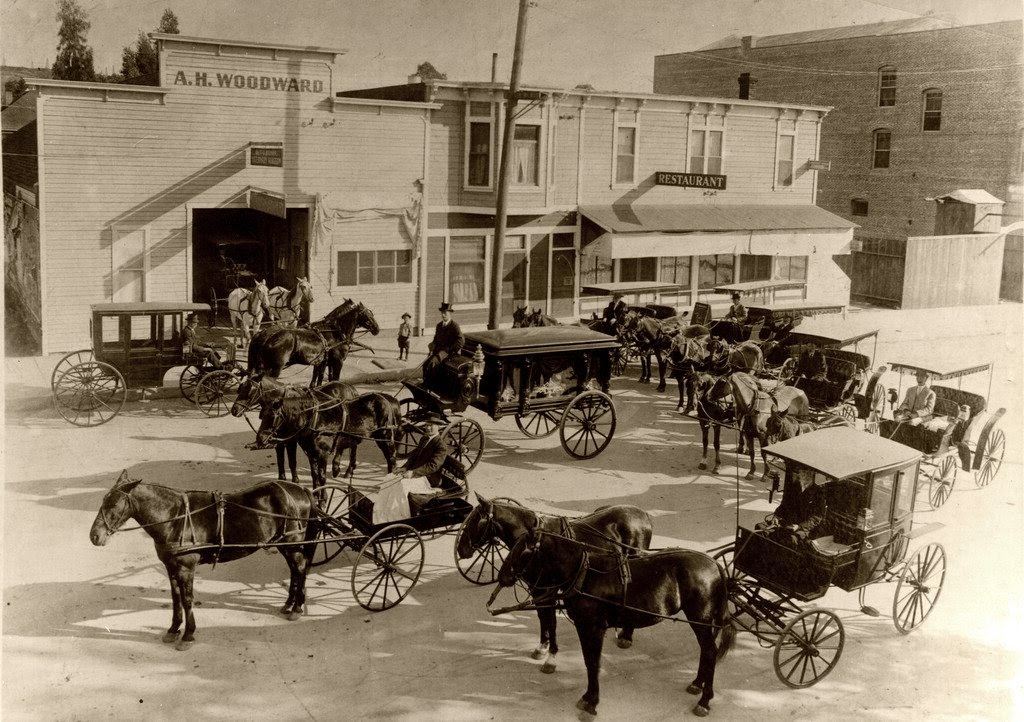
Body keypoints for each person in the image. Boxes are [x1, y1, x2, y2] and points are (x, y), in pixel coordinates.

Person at [372, 422, 467, 523]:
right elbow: (414, 457)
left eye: (431, 425)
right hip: (417, 474)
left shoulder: (441, 445)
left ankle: (401, 517)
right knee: (390, 478)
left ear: (438, 427)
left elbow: (433, 466)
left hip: (429, 479)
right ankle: (382, 512)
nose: (428, 428)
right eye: (427, 425)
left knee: (402, 484)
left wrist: (413, 473)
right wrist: (404, 468)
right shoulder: (424, 439)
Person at [423, 302, 463, 380]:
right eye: (442, 313)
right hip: (438, 351)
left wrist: (449, 349)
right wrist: (432, 345)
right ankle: (426, 383)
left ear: (450, 314)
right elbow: (436, 339)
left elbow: (461, 341)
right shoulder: (439, 325)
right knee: (425, 364)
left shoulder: (454, 326)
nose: (443, 315)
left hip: (449, 352)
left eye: (445, 313)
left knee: (433, 363)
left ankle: (433, 385)